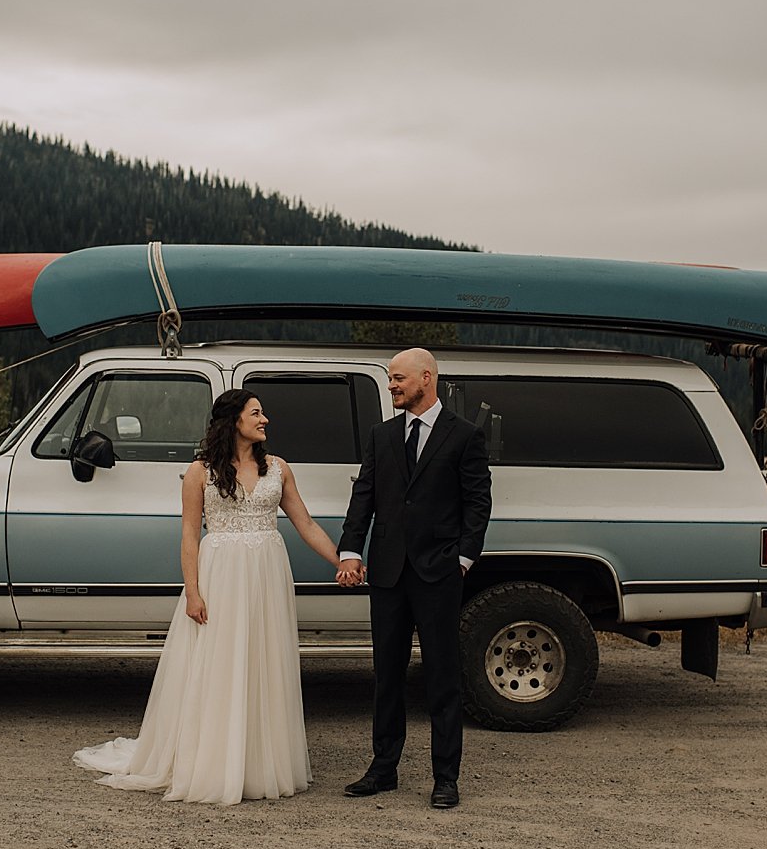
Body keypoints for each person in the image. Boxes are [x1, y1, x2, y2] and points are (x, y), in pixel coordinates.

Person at [73, 389, 352, 805]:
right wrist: (193, 591)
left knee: (262, 662)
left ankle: (257, 763)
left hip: (267, 575)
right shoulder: (200, 472)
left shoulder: (279, 469)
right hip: (221, 573)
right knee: (219, 664)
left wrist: (342, 560)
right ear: (233, 420)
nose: (265, 419)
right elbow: (189, 534)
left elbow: (305, 523)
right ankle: (214, 762)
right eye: (256, 413)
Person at [336, 347, 492, 809]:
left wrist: (463, 560)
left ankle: (446, 777)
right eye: (390, 380)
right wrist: (350, 549)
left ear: (427, 378)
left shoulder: (465, 436)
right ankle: (383, 769)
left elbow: (477, 502)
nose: (392, 386)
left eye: (398, 379)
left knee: (443, 676)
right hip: (386, 573)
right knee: (387, 674)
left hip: (439, 573)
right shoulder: (382, 436)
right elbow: (364, 494)